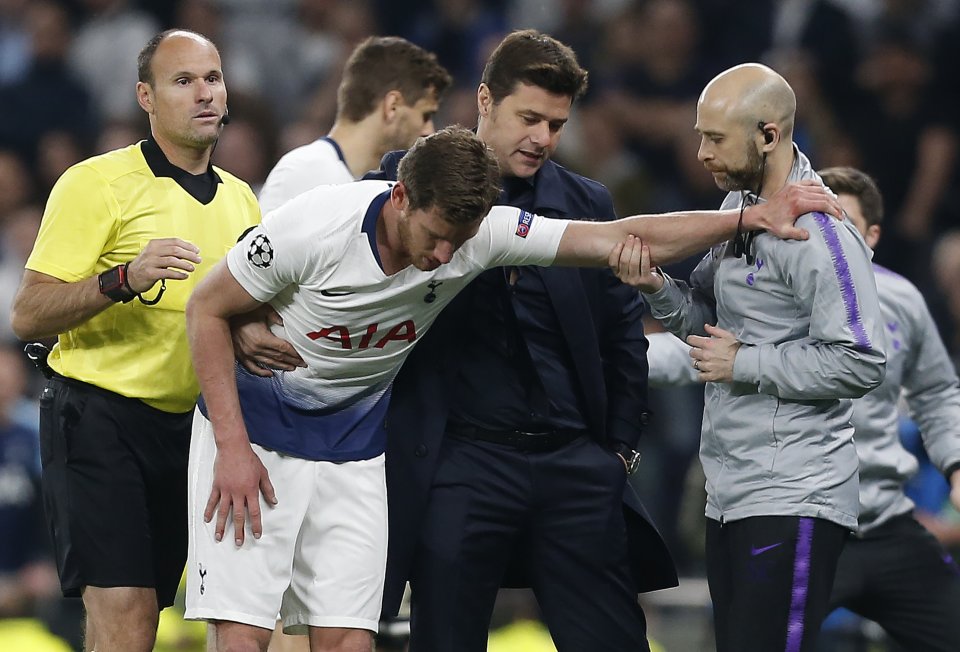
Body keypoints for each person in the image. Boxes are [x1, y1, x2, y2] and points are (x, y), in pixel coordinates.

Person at [184, 125, 841, 652]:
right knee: (243, 635)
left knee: (350, 640)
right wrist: (233, 449)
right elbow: (206, 309)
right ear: (401, 196)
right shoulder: (314, 224)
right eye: (436, 237)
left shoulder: (481, 236)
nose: (444, 258)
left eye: (459, 242)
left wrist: (751, 217)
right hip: (255, 437)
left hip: (354, 449)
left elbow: (622, 238)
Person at [373, 30, 672, 652]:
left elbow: (623, 335)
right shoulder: (409, 180)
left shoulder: (587, 202)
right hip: (461, 463)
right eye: (529, 118)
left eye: (556, 124)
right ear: (485, 100)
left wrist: (617, 451)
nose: (542, 138)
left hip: (574, 465)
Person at [609, 64, 886, 652]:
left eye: (715, 138)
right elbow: (708, 332)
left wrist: (747, 363)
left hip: (795, 493)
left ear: (768, 135)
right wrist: (655, 287)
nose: (701, 153)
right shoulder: (741, 208)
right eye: (700, 136)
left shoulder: (819, 233)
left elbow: (862, 360)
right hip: (731, 490)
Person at [9, 29, 260, 652]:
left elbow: (236, 319)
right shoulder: (95, 183)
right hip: (99, 418)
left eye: (212, 78)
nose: (204, 94)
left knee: (151, 618)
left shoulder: (243, 202)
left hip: (190, 430)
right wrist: (122, 279)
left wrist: (257, 337)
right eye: (184, 81)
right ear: (145, 97)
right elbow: (29, 314)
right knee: (126, 617)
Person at [815, 166, 960, 650]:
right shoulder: (772, 296)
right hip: (804, 523)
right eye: (820, 222)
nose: (832, 238)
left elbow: (937, 392)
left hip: (884, 521)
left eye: (846, 224)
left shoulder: (901, 299)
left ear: (873, 236)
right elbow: (691, 354)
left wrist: (957, 466)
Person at [257, 35, 451, 214]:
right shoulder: (305, 173)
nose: (429, 131)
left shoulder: (372, 189)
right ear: (392, 107)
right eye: (425, 115)